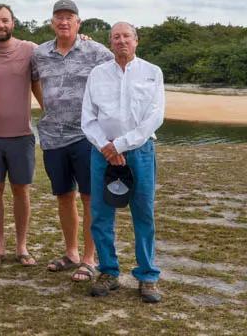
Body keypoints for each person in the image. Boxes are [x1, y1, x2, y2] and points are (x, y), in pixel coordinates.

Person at [82, 22, 165, 302]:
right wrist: (106, 146)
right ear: (110, 42)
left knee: (143, 213)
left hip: (139, 152)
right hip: (101, 151)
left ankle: (148, 275)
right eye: (115, 37)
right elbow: (88, 118)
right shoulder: (97, 74)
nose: (121, 41)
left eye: (126, 36)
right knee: (101, 213)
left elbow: (154, 118)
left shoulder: (152, 73)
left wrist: (120, 145)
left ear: (136, 40)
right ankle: (108, 271)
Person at [32, 0, 113, 282]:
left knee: (90, 198)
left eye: (69, 17)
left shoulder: (95, 51)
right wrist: (46, 107)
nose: (63, 22)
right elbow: (32, 79)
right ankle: (71, 253)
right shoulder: (40, 53)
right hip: (53, 136)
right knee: (64, 196)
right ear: (52, 22)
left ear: (79, 23)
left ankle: (90, 259)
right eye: (58, 17)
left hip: (86, 136)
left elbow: (118, 74)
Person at [0, 4, 42, 267]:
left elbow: (41, 79)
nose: (0, 25)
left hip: (22, 134)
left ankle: (22, 246)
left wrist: (84, 39)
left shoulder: (30, 50)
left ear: (13, 22)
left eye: (5, 20)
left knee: (21, 190)